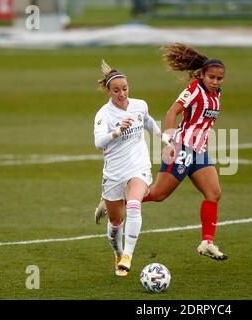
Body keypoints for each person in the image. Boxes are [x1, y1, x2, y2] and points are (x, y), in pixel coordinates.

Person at [95, 43, 228, 261]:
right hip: (183, 148)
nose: (215, 81)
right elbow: (172, 111)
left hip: (200, 151)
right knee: (157, 194)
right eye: (211, 77)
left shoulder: (217, 94)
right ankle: (113, 201)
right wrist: (171, 142)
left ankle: (207, 242)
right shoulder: (194, 90)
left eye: (219, 78)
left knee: (214, 193)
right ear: (202, 75)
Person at [94, 59, 171, 277]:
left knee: (135, 204)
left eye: (125, 89)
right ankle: (118, 252)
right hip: (114, 172)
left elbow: (149, 122)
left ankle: (127, 256)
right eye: (116, 90)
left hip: (139, 166)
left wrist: (165, 139)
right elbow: (99, 143)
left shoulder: (140, 105)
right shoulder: (104, 115)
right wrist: (117, 131)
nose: (122, 94)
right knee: (116, 222)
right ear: (109, 92)